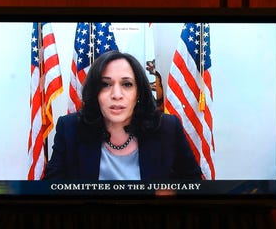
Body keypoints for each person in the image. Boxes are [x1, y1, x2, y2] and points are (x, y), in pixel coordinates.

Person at [43, 50, 203, 181]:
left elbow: (194, 187)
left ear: (138, 92)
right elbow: (52, 191)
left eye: (127, 84)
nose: (116, 95)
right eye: (106, 84)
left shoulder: (168, 128)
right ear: (95, 92)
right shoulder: (70, 128)